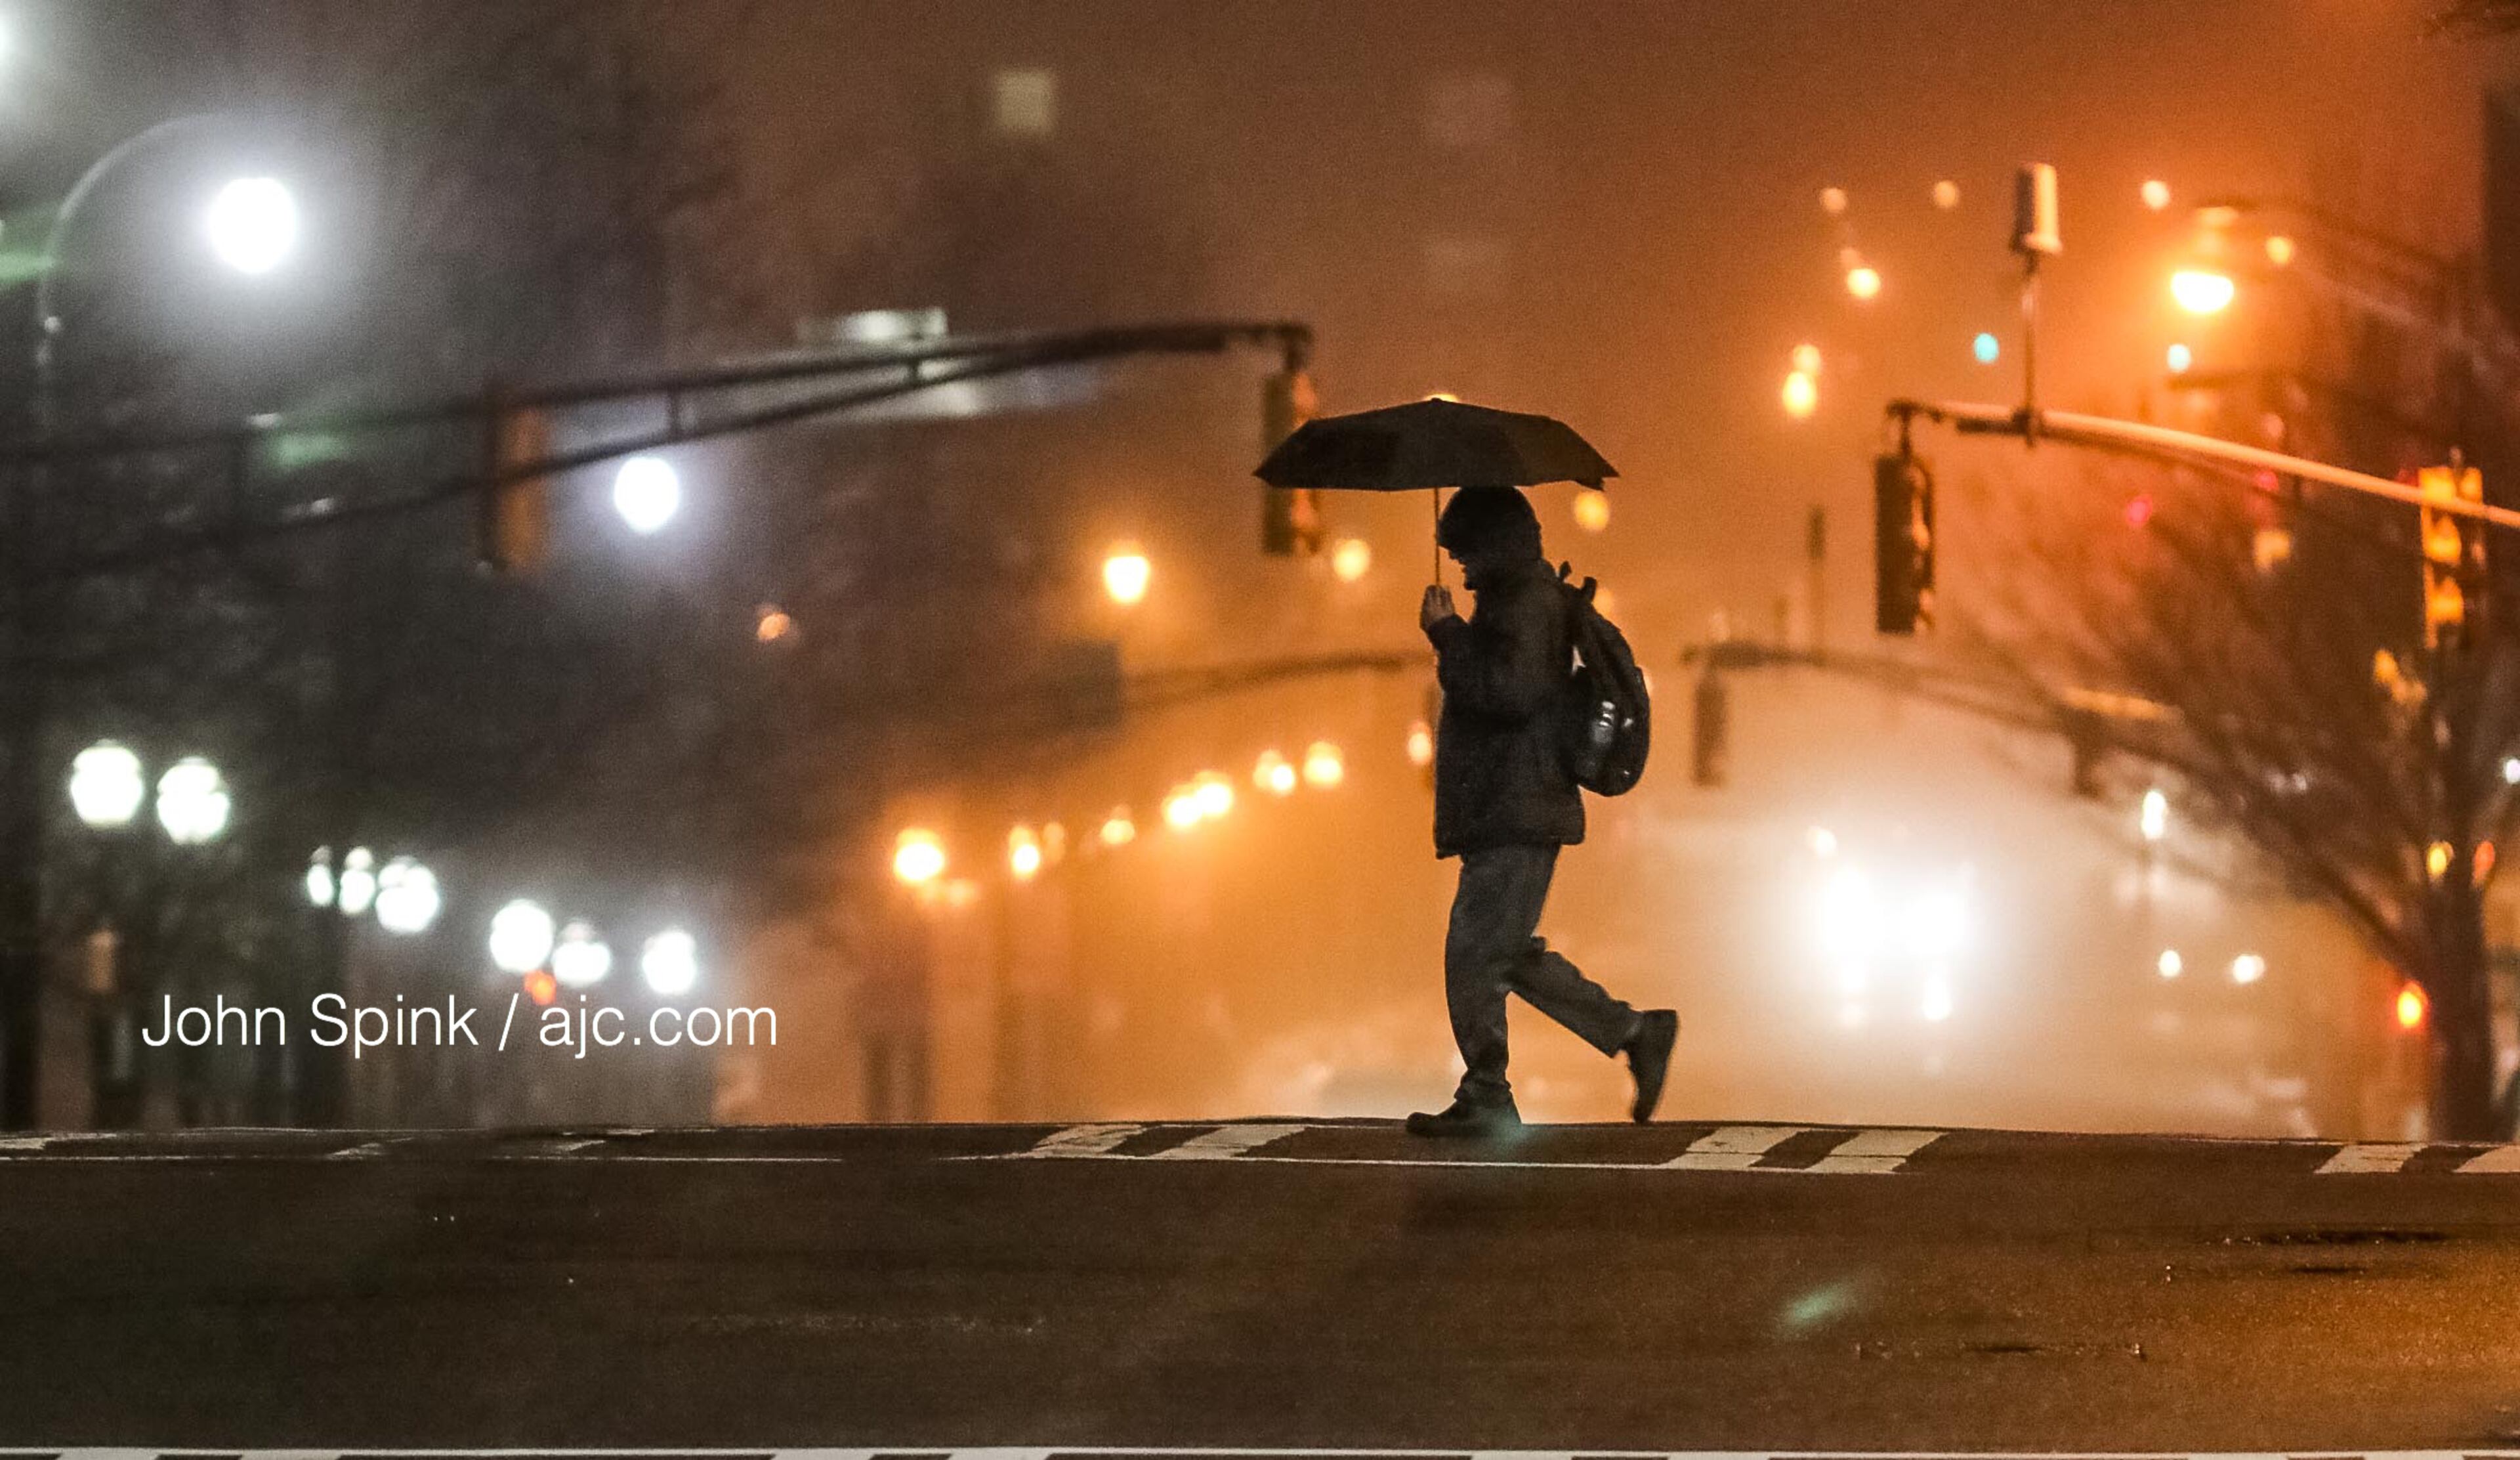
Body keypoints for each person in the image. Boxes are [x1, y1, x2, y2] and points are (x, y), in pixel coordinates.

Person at [1408, 486, 1677, 1137]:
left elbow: (1510, 692)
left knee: (1474, 955)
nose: (1462, 565)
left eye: (1467, 551)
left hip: (1517, 806)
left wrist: (1446, 632)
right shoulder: (1515, 601)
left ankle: (1487, 1094)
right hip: (1512, 805)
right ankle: (1635, 1032)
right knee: (1509, 955)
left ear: (1495, 545)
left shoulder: (1524, 604)